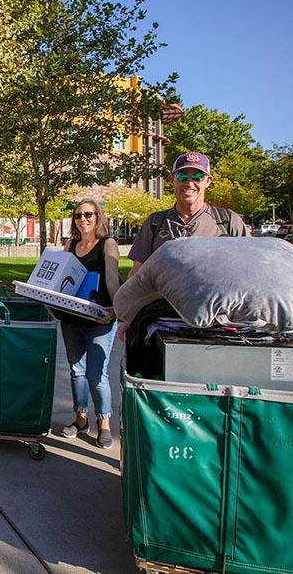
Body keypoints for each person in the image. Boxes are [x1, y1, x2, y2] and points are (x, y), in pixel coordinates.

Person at [119, 151, 249, 340]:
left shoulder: (228, 221)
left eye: (197, 176)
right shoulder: (155, 223)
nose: (189, 183)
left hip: (218, 323)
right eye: (182, 176)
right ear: (172, 180)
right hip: (163, 319)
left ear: (208, 181)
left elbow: (248, 274)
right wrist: (129, 318)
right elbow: (138, 274)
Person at [58, 199, 122, 448]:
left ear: (98, 217)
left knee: (97, 374)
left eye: (88, 214)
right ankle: (80, 419)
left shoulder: (108, 244)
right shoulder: (71, 245)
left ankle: (104, 423)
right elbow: (59, 278)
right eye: (78, 215)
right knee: (77, 371)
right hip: (72, 318)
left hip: (100, 317)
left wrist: (117, 310)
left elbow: (112, 278)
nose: (83, 219)